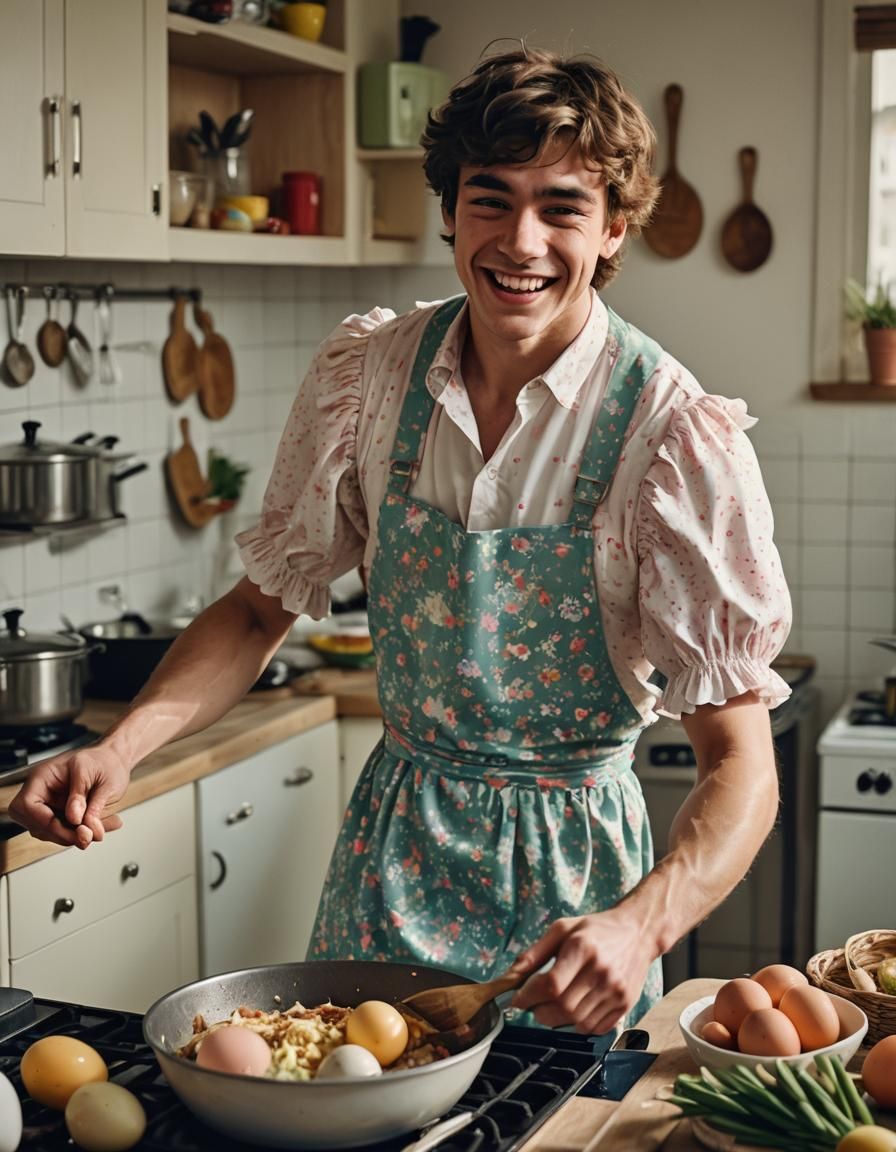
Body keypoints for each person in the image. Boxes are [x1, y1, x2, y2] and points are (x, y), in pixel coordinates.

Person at [10, 45, 790, 1036]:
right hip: (387, 868)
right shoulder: (368, 378)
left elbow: (739, 766)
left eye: (560, 206)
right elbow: (258, 609)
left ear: (609, 230)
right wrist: (117, 751)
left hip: (577, 908)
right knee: (342, 1094)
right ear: (448, 209)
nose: (519, 240)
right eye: (488, 198)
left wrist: (642, 925)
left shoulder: (669, 434)